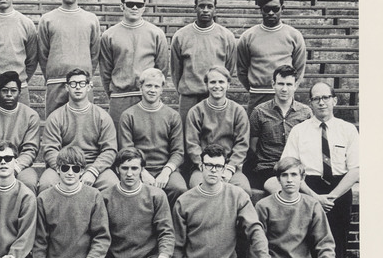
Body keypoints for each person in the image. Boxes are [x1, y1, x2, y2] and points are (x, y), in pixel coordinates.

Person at [278, 82, 359, 258]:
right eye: (316, 99)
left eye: (325, 98)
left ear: (334, 100)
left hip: (339, 191)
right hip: (308, 189)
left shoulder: (348, 130)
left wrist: (331, 197)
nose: (321, 102)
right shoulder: (299, 131)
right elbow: (288, 167)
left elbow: (356, 169)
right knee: (307, 243)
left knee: (337, 243)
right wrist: (315, 197)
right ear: (310, 103)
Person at [38, 68, 118, 194]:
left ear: (89, 86)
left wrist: (93, 171)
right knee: (46, 184)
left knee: (112, 184)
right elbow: (50, 150)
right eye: (73, 84)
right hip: (63, 165)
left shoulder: (102, 116)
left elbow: (109, 150)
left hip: (92, 165)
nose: (78, 87)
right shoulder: (56, 117)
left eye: (82, 84)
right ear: (67, 87)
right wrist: (65, 170)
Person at [99, 0, 169, 128]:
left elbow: (162, 69)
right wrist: (114, 92)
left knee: (146, 140)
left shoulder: (156, 33)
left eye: (139, 4)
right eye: (130, 4)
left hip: (146, 96)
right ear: (122, 6)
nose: (135, 8)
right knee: (120, 143)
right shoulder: (109, 35)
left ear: (144, 7)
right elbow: (105, 71)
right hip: (119, 98)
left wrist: (151, 90)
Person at [170, 0, 237, 133]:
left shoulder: (226, 36)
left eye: (209, 6)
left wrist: (218, 87)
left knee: (215, 136)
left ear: (215, 9)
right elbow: (176, 70)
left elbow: (229, 68)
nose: (205, 10)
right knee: (187, 137)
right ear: (195, 8)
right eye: (201, 6)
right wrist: (187, 89)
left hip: (215, 95)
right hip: (189, 97)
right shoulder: (181, 36)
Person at [37, 0, 100, 116]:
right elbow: (43, 53)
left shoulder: (91, 19)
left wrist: (84, 78)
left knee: (84, 126)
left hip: (82, 84)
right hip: (56, 83)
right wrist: (53, 75)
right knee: (54, 125)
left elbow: (95, 53)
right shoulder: (47, 19)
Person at [118, 68, 187, 205]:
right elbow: (127, 151)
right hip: (137, 168)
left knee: (179, 189)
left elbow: (178, 151)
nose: (152, 90)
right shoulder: (128, 115)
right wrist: (142, 172)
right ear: (141, 88)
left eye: (157, 86)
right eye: (148, 85)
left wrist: (166, 172)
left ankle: (170, 225)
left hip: (165, 168)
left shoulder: (172, 116)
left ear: (162, 90)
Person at [237, 0, 306, 115]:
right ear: (260, 10)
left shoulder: (294, 35)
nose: (270, 13)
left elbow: (299, 69)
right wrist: (255, 88)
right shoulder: (248, 36)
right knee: (255, 133)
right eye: (266, 9)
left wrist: (287, 89)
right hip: (257, 96)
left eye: (275, 9)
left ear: (282, 9)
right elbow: (241, 70)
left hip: (284, 95)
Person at [186, 66, 251, 195]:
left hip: (229, 166)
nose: (217, 86)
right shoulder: (196, 111)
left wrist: (229, 169)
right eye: (213, 82)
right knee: (198, 190)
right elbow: (192, 144)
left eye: (221, 82)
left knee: (243, 190)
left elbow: (242, 144)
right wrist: (205, 166)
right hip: (204, 166)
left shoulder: (238, 111)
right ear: (206, 85)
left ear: (228, 85)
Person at [248, 64, 312, 192]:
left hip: (296, 168)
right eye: (280, 84)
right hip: (268, 168)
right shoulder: (259, 112)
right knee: (285, 192)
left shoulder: (305, 113)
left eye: (289, 84)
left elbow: (309, 145)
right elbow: (253, 146)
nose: (284, 89)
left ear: (295, 85)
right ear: (273, 85)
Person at [0, 71, 42, 194]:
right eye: (4, 90)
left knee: (28, 182)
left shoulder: (31, 116)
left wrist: (15, 168)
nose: (9, 94)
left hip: (20, 165)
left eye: (13, 91)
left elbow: (30, 149)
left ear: (19, 92)